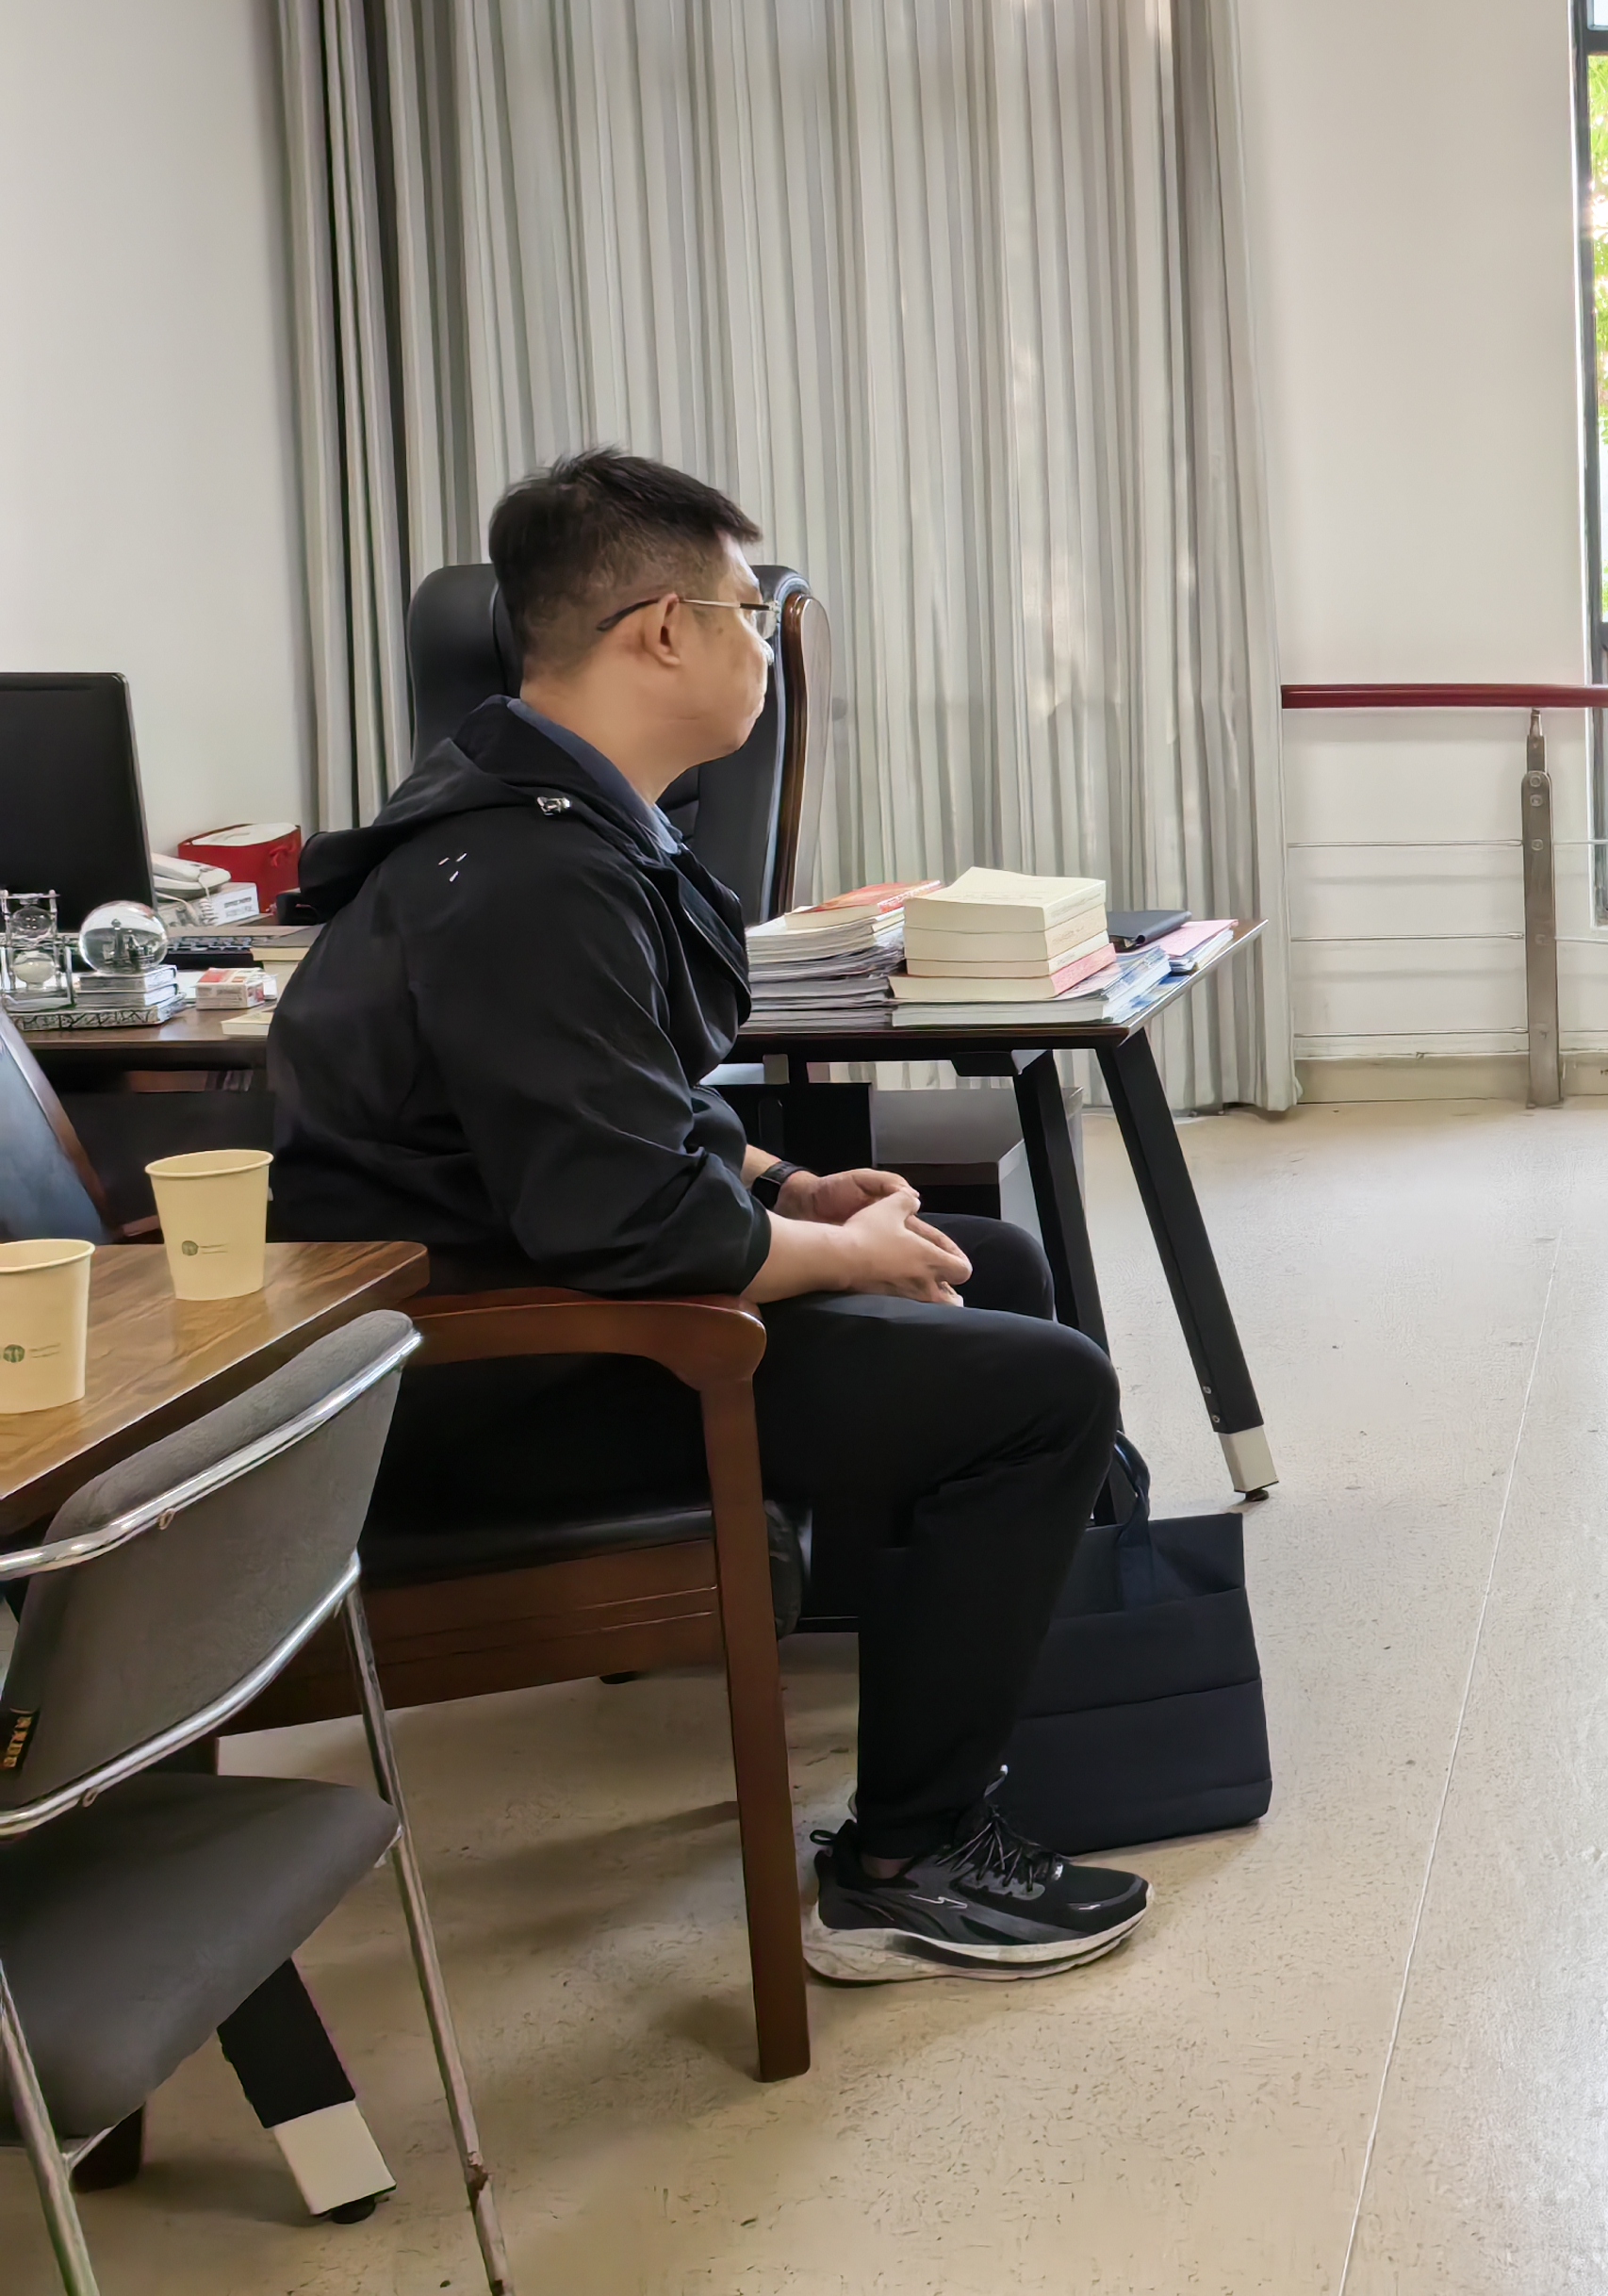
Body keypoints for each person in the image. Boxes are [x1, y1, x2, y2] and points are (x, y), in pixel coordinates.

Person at [271, 448, 1148, 1988]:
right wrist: (842, 1251)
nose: (767, 652)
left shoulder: (554, 818)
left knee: (995, 1264)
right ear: (661, 632)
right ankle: (906, 1868)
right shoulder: (529, 873)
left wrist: (792, 1191)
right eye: (748, 615)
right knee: (1044, 1390)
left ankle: (945, 1735)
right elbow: (629, 1224)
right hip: (486, 1380)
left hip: (539, 1294)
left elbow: (620, 1114)